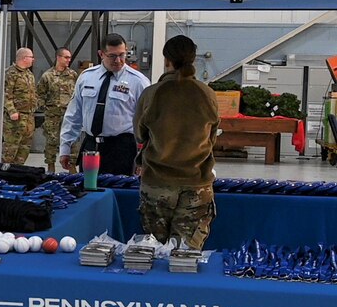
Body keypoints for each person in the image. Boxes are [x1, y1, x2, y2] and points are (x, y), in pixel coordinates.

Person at [134, 35, 220, 249]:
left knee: (154, 252)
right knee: (185, 256)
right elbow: (212, 138)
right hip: (196, 185)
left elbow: (140, 135)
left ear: (166, 60)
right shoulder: (207, 94)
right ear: (193, 60)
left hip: (157, 185)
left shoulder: (152, 94)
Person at [59, 33, 151, 175]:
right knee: (89, 191)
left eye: (122, 54)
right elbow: (73, 115)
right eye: (112, 56)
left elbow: (148, 121)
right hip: (90, 146)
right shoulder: (86, 77)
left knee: (120, 191)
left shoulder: (139, 81)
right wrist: (65, 147)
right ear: (101, 54)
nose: (118, 60)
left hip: (122, 148)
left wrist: (143, 156)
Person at [36, 47, 78, 173]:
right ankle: (51, 166)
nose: (69, 60)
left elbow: (77, 93)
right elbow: (39, 95)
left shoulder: (72, 75)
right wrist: (45, 107)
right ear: (58, 58)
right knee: (51, 141)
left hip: (69, 114)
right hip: (53, 115)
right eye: (66, 57)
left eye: (70, 57)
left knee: (72, 140)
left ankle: (72, 167)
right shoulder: (47, 76)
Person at [2, 47, 36, 165]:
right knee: (10, 149)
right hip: (15, 119)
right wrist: (12, 111)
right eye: (31, 57)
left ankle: (17, 171)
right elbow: (6, 94)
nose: (33, 59)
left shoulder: (29, 74)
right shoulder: (11, 73)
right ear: (24, 58)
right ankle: (5, 173)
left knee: (24, 148)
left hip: (28, 118)